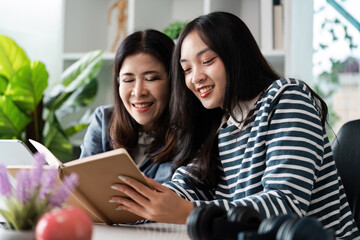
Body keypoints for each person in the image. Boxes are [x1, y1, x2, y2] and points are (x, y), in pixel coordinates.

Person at [109, 12, 360, 239]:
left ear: (237, 56)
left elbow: (286, 204)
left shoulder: (287, 97)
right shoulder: (220, 122)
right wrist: (129, 204)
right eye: (186, 69)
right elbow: (184, 188)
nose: (195, 77)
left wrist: (188, 212)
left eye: (207, 61)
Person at [80, 29, 175, 184]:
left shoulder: (189, 134)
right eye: (128, 80)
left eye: (151, 78)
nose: (138, 92)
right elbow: (82, 183)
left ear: (173, 81)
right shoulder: (104, 119)